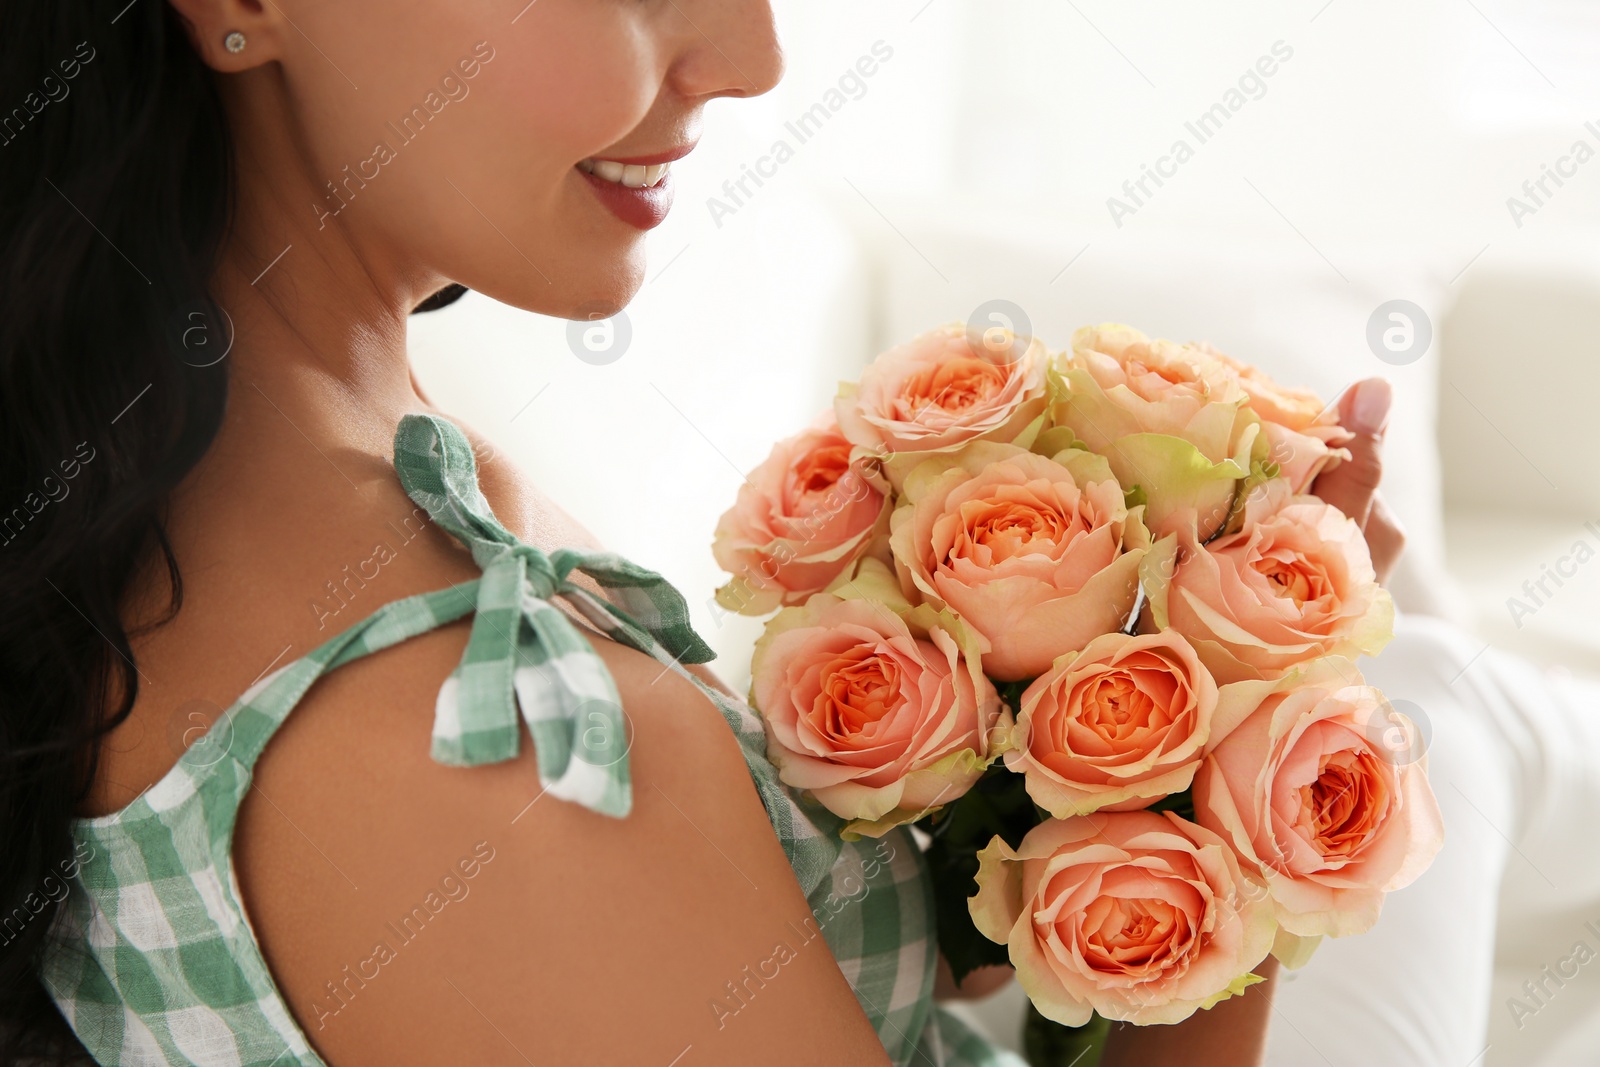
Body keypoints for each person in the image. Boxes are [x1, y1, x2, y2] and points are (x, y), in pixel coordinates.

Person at [0, 1, 1405, 1064]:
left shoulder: (310, 481)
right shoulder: (505, 759)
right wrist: (1261, 761)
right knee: (1464, 707)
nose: (749, 55)